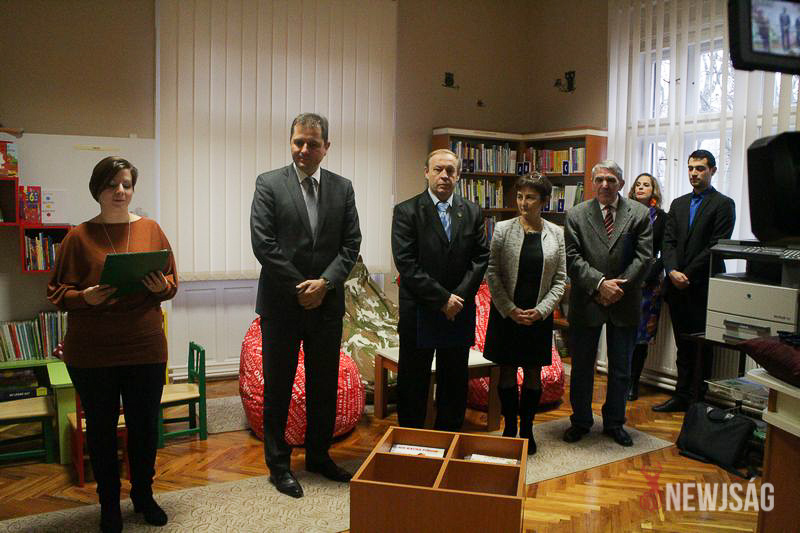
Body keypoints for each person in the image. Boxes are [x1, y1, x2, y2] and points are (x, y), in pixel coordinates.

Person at [48, 156, 177, 533]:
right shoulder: (77, 236)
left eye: (126, 184)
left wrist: (162, 287)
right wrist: (84, 297)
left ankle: (144, 496)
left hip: (144, 346)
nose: (120, 191)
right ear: (97, 189)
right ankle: (109, 505)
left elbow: (171, 282)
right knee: (101, 431)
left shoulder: (152, 229)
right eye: (112, 184)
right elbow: (56, 291)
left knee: (144, 428)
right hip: (93, 352)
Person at [250, 113, 361, 499]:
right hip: (282, 304)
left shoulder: (343, 189)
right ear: (291, 142)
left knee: (323, 386)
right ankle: (278, 465)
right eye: (298, 142)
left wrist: (325, 284)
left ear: (326, 147)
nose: (304, 149)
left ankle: (318, 456)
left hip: (326, 306)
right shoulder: (269, 184)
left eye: (313, 143)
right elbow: (263, 243)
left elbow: (351, 244)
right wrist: (302, 286)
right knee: (278, 387)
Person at [391, 148, 489, 431]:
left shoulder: (471, 211)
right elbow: (406, 263)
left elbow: (481, 258)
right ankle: (410, 440)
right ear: (426, 173)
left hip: (459, 310)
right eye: (438, 169)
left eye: (450, 171)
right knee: (413, 380)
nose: (444, 175)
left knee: (454, 380)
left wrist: (457, 298)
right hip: (419, 308)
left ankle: (449, 438)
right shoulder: (407, 211)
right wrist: (443, 299)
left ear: (458, 176)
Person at [562, 160, 652, 447]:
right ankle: (580, 421)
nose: (605, 185)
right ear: (592, 182)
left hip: (624, 300)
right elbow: (572, 258)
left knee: (621, 369)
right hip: (587, 299)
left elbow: (644, 257)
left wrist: (617, 288)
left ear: (621, 184)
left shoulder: (639, 213)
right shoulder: (576, 215)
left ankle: (614, 423)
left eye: (611, 180)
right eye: (600, 179)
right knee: (582, 367)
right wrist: (600, 284)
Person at [483, 173, 566, 455]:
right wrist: (509, 308)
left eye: (530, 197)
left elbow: (560, 279)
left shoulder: (557, 233)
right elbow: (492, 272)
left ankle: (527, 430)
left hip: (537, 318)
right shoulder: (503, 229)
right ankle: (509, 427)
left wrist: (541, 311)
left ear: (544, 201)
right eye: (520, 196)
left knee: (533, 374)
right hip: (507, 315)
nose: (523, 203)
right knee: (506, 372)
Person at [653, 150, 735, 413]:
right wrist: (672, 271)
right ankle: (681, 395)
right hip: (676, 287)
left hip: (702, 286)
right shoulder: (678, 204)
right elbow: (668, 242)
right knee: (683, 346)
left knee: (702, 347)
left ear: (712, 170)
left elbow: (716, 245)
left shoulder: (724, 204)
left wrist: (686, 274)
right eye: (690, 168)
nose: (694, 173)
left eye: (700, 168)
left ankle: (698, 402)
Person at [627, 173, 667, 401]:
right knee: (623, 331)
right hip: (625, 278)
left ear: (654, 190)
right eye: (638, 184)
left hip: (649, 281)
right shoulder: (624, 212)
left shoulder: (662, 217)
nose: (641, 188)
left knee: (641, 336)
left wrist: (648, 275)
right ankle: (620, 378)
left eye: (646, 185)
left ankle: (633, 383)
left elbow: (665, 251)